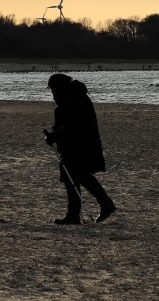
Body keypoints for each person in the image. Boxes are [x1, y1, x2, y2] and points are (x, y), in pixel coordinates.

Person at [44, 73, 116, 224]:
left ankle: (80, 212)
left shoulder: (72, 99)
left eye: (52, 89)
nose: (51, 93)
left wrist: (54, 137)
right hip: (81, 144)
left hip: (77, 145)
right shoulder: (75, 96)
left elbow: (72, 127)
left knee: (75, 176)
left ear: (58, 87)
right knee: (79, 176)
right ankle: (92, 208)